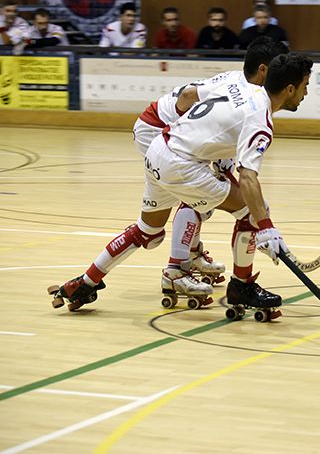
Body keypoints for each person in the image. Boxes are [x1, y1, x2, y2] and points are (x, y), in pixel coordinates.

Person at [50, 38, 302, 313]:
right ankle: (199, 274)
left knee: (150, 230)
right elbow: (246, 175)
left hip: (164, 146)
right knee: (242, 210)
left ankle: (86, 282)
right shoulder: (257, 111)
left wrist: (193, 138)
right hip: (162, 135)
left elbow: (208, 116)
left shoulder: (235, 82)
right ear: (266, 71)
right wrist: (264, 226)